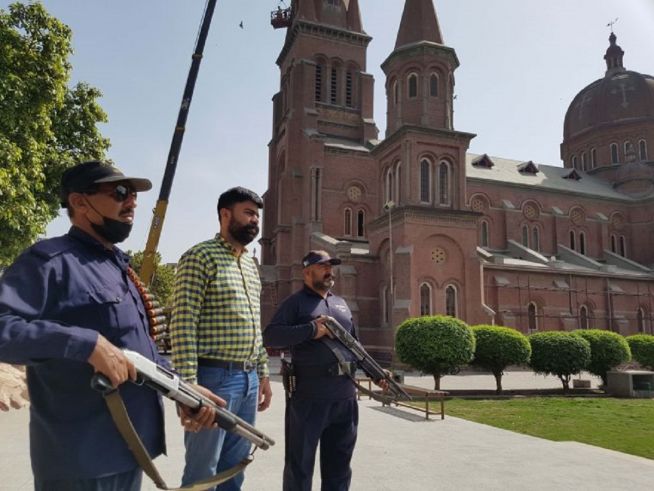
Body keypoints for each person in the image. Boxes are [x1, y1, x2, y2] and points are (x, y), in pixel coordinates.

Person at [0, 160, 220, 491]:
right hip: (81, 460)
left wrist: (182, 389)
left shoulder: (119, 268)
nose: (131, 202)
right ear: (79, 202)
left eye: (133, 195)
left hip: (129, 448)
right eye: (119, 193)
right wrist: (84, 343)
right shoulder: (50, 261)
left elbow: (137, 352)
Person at [171, 186, 273, 491]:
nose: (255, 221)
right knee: (204, 472)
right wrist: (188, 382)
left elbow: (256, 325)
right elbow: (183, 322)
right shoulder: (199, 256)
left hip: (248, 380)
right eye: (248, 213)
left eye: (257, 215)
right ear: (224, 215)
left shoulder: (250, 267)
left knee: (234, 468)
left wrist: (263, 373)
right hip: (213, 379)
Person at [263, 250, 362, 491]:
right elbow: (271, 336)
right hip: (309, 399)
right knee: (300, 467)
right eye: (323, 267)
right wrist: (310, 330)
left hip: (345, 399)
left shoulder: (341, 303)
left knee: (339, 469)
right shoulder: (294, 303)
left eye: (331, 267)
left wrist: (377, 374)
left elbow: (356, 345)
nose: (330, 271)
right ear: (307, 272)